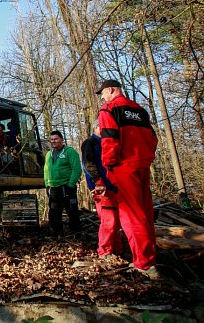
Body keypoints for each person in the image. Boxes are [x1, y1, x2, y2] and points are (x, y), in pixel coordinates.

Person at [96, 79, 159, 276]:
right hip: (142, 166)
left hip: (123, 167)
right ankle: (149, 257)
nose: (102, 97)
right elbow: (153, 138)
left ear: (111, 90)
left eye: (103, 93)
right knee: (146, 214)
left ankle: (143, 264)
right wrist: (145, 158)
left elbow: (109, 140)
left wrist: (109, 166)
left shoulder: (109, 109)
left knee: (131, 216)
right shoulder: (140, 110)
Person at [81, 119, 122, 258]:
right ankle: (104, 251)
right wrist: (98, 181)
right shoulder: (90, 143)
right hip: (101, 188)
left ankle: (117, 249)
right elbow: (88, 164)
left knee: (116, 221)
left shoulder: (106, 144)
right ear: (98, 127)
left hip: (113, 187)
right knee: (108, 220)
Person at [44, 130, 82, 236]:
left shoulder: (69, 152)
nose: (53, 141)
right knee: (54, 212)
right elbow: (46, 170)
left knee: (72, 211)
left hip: (66, 186)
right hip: (54, 187)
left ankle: (76, 233)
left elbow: (77, 169)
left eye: (56, 139)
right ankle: (57, 234)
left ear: (62, 140)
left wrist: (71, 184)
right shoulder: (48, 154)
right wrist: (47, 184)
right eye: (51, 139)